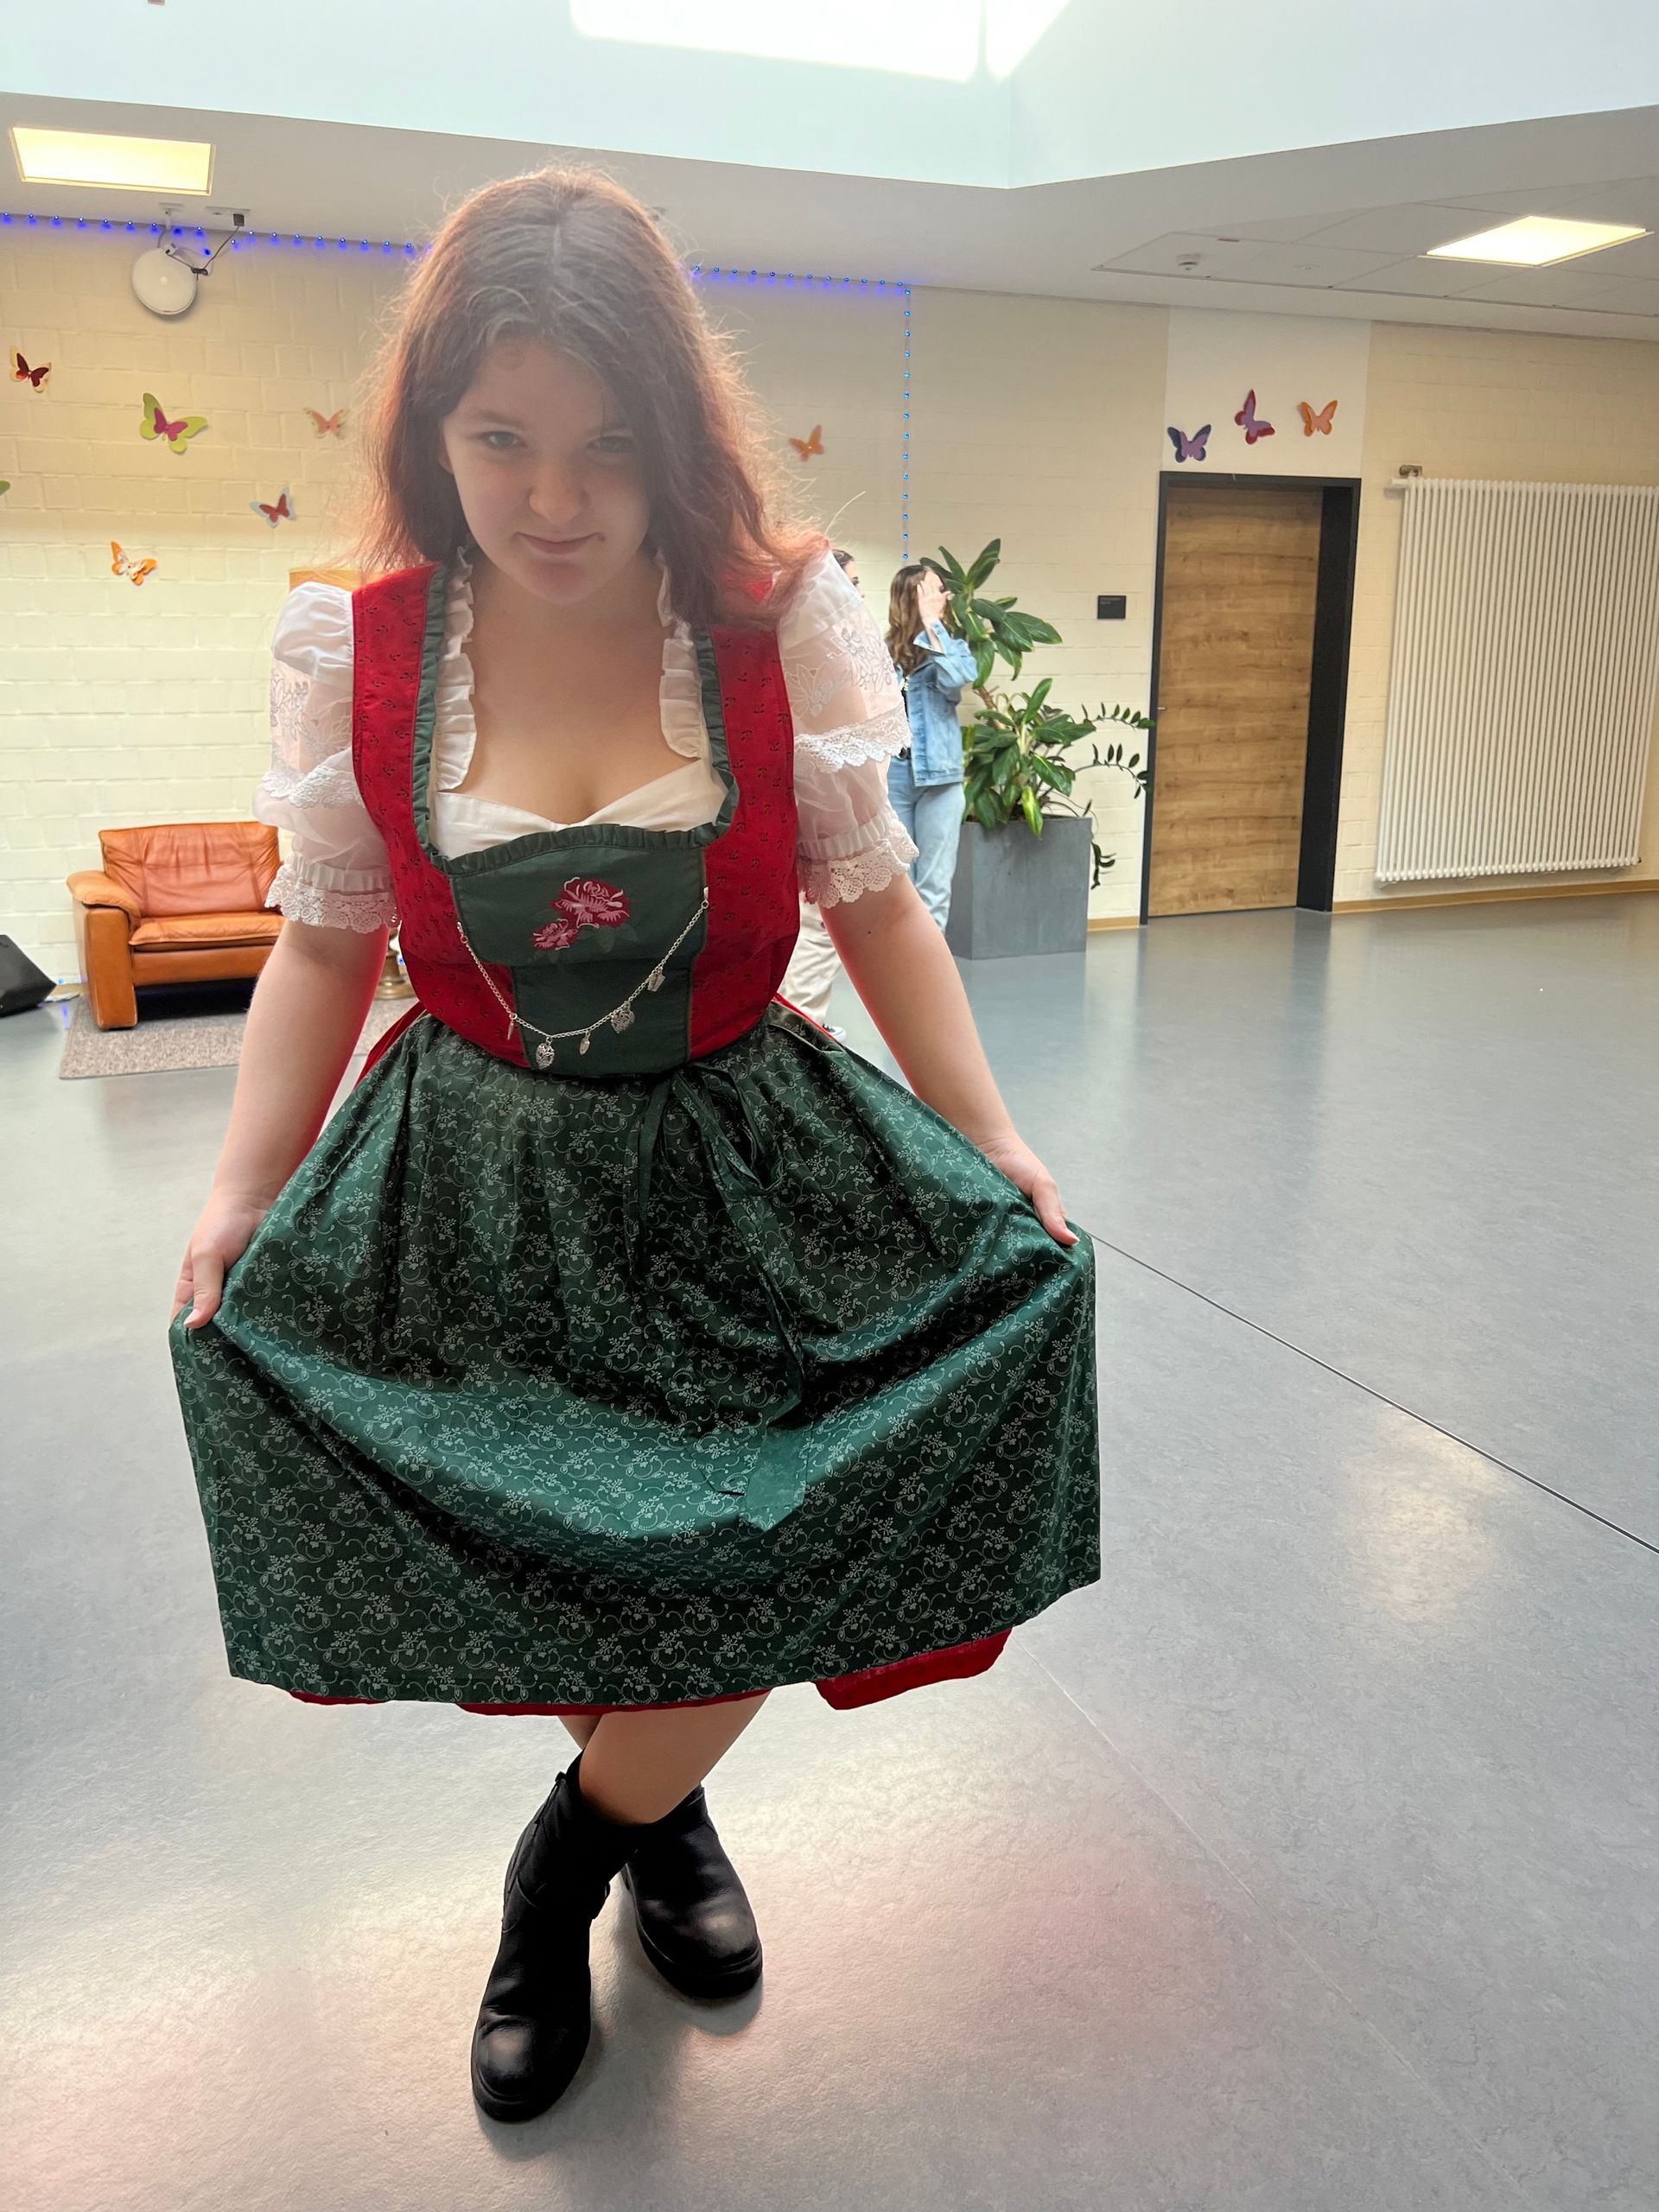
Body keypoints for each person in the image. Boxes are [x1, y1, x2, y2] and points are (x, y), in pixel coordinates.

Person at [168, 168, 1099, 2127]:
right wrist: (242, 1193)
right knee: (573, 1548)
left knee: (754, 1525)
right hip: (473, 1182)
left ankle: (563, 1863)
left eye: (607, 443)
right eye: (500, 436)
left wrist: (992, 1134)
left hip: (739, 1169)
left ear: (675, 435)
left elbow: (876, 897)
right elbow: (325, 941)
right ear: (431, 431)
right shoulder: (363, 645)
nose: (555, 495)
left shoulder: (774, 621)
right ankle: (657, 1817)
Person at [778, 546, 860, 1030]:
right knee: (814, 924)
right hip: (805, 807)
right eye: (849, 583)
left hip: (817, 805)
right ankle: (805, 1029)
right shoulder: (814, 653)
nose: (854, 596)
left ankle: (803, 1025)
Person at [886, 562, 980, 930]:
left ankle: (928, 966)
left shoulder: (952, 648)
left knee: (934, 888)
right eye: (937, 589)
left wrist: (932, 625)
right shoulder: (884, 652)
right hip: (894, 777)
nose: (946, 596)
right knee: (899, 887)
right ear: (914, 597)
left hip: (940, 780)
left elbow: (956, 678)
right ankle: (900, 963)